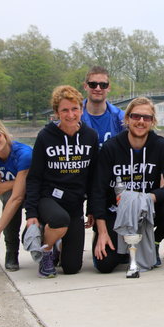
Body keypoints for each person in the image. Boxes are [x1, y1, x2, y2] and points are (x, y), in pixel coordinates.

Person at [91, 97, 164, 273]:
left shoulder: (160, 146)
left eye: (147, 118)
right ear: (127, 119)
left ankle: (154, 241)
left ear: (152, 122)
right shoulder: (111, 147)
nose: (141, 121)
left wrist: (148, 197)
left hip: (146, 211)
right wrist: (102, 231)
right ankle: (113, 242)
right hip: (117, 212)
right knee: (105, 266)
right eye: (136, 116)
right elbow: (97, 191)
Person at [25, 86, 99, 278]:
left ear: (81, 110)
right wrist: (31, 212)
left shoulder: (90, 137)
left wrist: (91, 207)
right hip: (49, 198)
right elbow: (34, 177)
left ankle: (58, 240)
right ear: (57, 112)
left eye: (74, 109)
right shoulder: (45, 136)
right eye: (64, 110)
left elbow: (93, 177)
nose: (70, 114)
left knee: (72, 268)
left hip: (74, 203)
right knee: (59, 220)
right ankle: (47, 250)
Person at [0, 118, 32, 271]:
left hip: (34, 192)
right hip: (12, 194)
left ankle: (34, 236)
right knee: (8, 199)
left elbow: (18, 196)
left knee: (13, 200)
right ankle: (12, 252)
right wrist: (21, 180)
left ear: (4, 133)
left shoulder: (24, 153)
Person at [82, 66, 125, 147]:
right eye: (93, 84)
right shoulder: (73, 116)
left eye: (103, 85)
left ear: (109, 88)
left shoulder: (121, 119)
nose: (98, 89)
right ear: (85, 86)